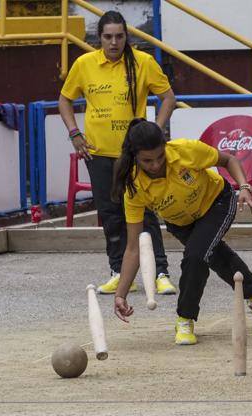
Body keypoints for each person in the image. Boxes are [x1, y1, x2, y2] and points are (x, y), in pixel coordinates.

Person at [111, 118, 252, 345]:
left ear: (165, 146)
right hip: (181, 223)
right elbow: (133, 247)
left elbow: (229, 160)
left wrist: (244, 188)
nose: (156, 165)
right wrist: (121, 294)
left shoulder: (186, 151)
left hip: (217, 203)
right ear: (134, 156)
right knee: (214, 256)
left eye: (160, 157)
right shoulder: (133, 186)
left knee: (196, 256)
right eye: (147, 161)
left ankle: (185, 317)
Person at [58, 11, 176, 295]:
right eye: (108, 37)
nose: (114, 42)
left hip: (134, 154)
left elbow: (168, 98)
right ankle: (118, 270)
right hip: (97, 153)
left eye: (119, 36)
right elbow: (64, 99)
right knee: (110, 214)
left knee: (145, 213)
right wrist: (75, 133)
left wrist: (155, 132)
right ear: (99, 38)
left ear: (127, 37)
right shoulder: (84, 64)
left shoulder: (143, 62)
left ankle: (160, 272)